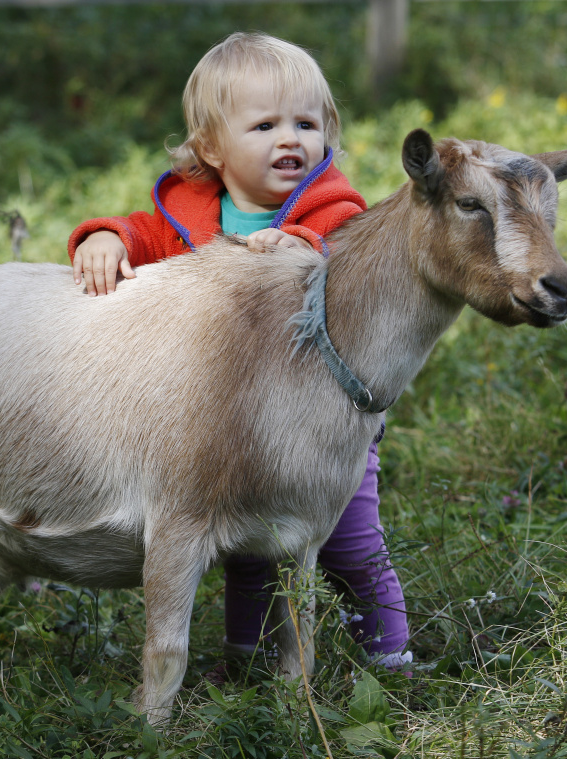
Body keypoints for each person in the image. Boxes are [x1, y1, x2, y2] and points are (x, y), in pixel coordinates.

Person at [67, 32, 411, 670]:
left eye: (306, 123)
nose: (291, 139)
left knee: (353, 547)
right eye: (265, 125)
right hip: (232, 435)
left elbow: (356, 274)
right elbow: (141, 235)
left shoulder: (334, 216)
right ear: (211, 148)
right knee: (251, 552)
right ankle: (246, 664)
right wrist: (105, 238)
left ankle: (391, 664)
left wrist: (307, 253)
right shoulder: (189, 218)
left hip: (326, 436)